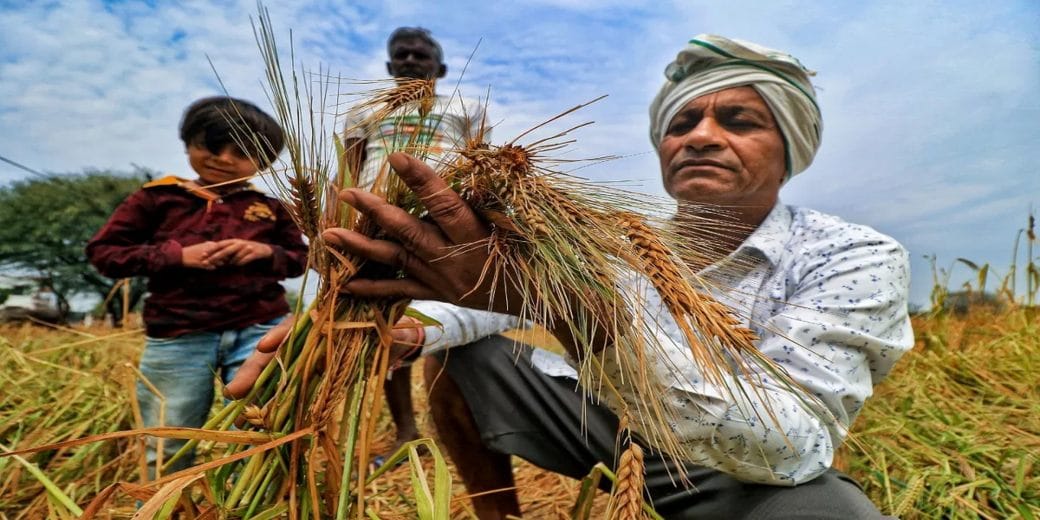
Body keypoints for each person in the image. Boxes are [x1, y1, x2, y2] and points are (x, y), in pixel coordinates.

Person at [233, 34, 912, 518]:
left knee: (828, 513)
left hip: (741, 467)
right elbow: (493, 299)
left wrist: (587, 315)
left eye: (738, 121)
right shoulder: (609, 243)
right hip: (599, 426)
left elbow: (791, 440)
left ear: (791, 148)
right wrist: (397, 327)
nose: (700, 135)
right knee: (463, 351)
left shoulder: (853, 255)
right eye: (682, 123)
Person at [86, 96, 308, 479]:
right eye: (211, 145)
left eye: (241, 152)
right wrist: (176, 257)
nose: (223, 158)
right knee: (166, 437)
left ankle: (244, 504)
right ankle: (163, 502)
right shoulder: (157, 198)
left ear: (265, 161)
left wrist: (263, 251)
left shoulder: (270, 208)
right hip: (178, 333)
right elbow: (104, 253)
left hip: (260, 329)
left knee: (258, 431)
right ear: (188, 142)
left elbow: (299, 258)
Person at [339, 26, 517, 463]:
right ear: (389, 66)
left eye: (421, 55)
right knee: (380, 324)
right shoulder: (364, 111)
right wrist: (336, 221)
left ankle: (464, 426)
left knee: (449, 307)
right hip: (374, 220)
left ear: (440, 67)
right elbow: (348, 170)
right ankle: (406, 432)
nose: (411, 61)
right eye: (402, 55)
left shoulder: (468, 107)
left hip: (444, 220)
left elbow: (480, 164)